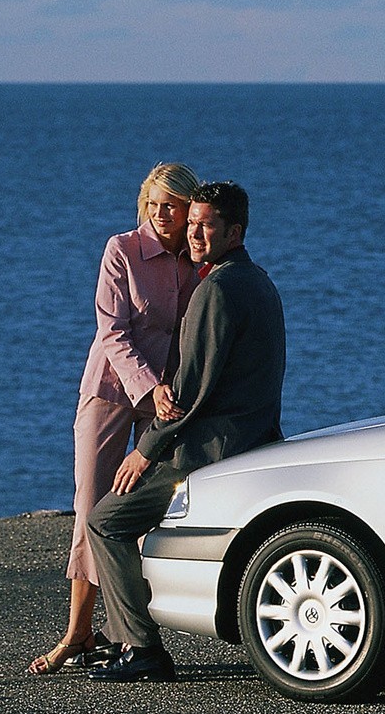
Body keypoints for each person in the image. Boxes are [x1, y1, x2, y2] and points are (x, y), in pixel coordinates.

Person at [86, 180, 286, 683]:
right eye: (191, 222)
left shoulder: (215, 289)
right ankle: (119, 637)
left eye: (206, 225)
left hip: (212, 449)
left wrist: (146, 452)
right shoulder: (258, 280)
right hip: (256, 435)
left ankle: (140, 647)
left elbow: (190, 392)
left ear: (234, 231)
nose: (193, 232)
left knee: (106, 520)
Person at [29, 162, 202, 675]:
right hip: (109, 391)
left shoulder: (197, 262)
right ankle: (77, 632)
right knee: (89, 507)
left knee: (135, 509)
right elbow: (114, 333)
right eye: (153, 203)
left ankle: (121, 629)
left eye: (170, 204)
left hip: (163, 401)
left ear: (189, 207)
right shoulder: (121, 250)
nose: (160, 212)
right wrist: (150, 386)